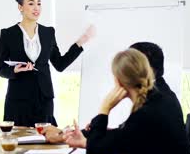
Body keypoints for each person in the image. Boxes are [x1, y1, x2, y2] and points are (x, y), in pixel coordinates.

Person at [64, 48, 190, 154]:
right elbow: (126, 135)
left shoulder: (147, 113)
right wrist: (87, 140)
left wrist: (105, 108)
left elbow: (95, 152)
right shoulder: (159, 100)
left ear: (118, 81)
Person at [43, 41, 179, 142]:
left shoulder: (152, 108)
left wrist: (105, 108)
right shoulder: (159, 95)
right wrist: (67, 133)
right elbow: (122, 135)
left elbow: (99, 148)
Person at [0, 0, 93, 127]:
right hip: (18, 99)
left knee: (45, 139)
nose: (36, 8)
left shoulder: (48, 32)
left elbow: (60, 64)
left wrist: (82, 41)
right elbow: (1, 69)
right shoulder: (8, 34)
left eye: (39, 3)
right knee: (18, 139)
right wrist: (15, 71)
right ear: (20, 7)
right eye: (31, 3)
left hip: (44, 98)